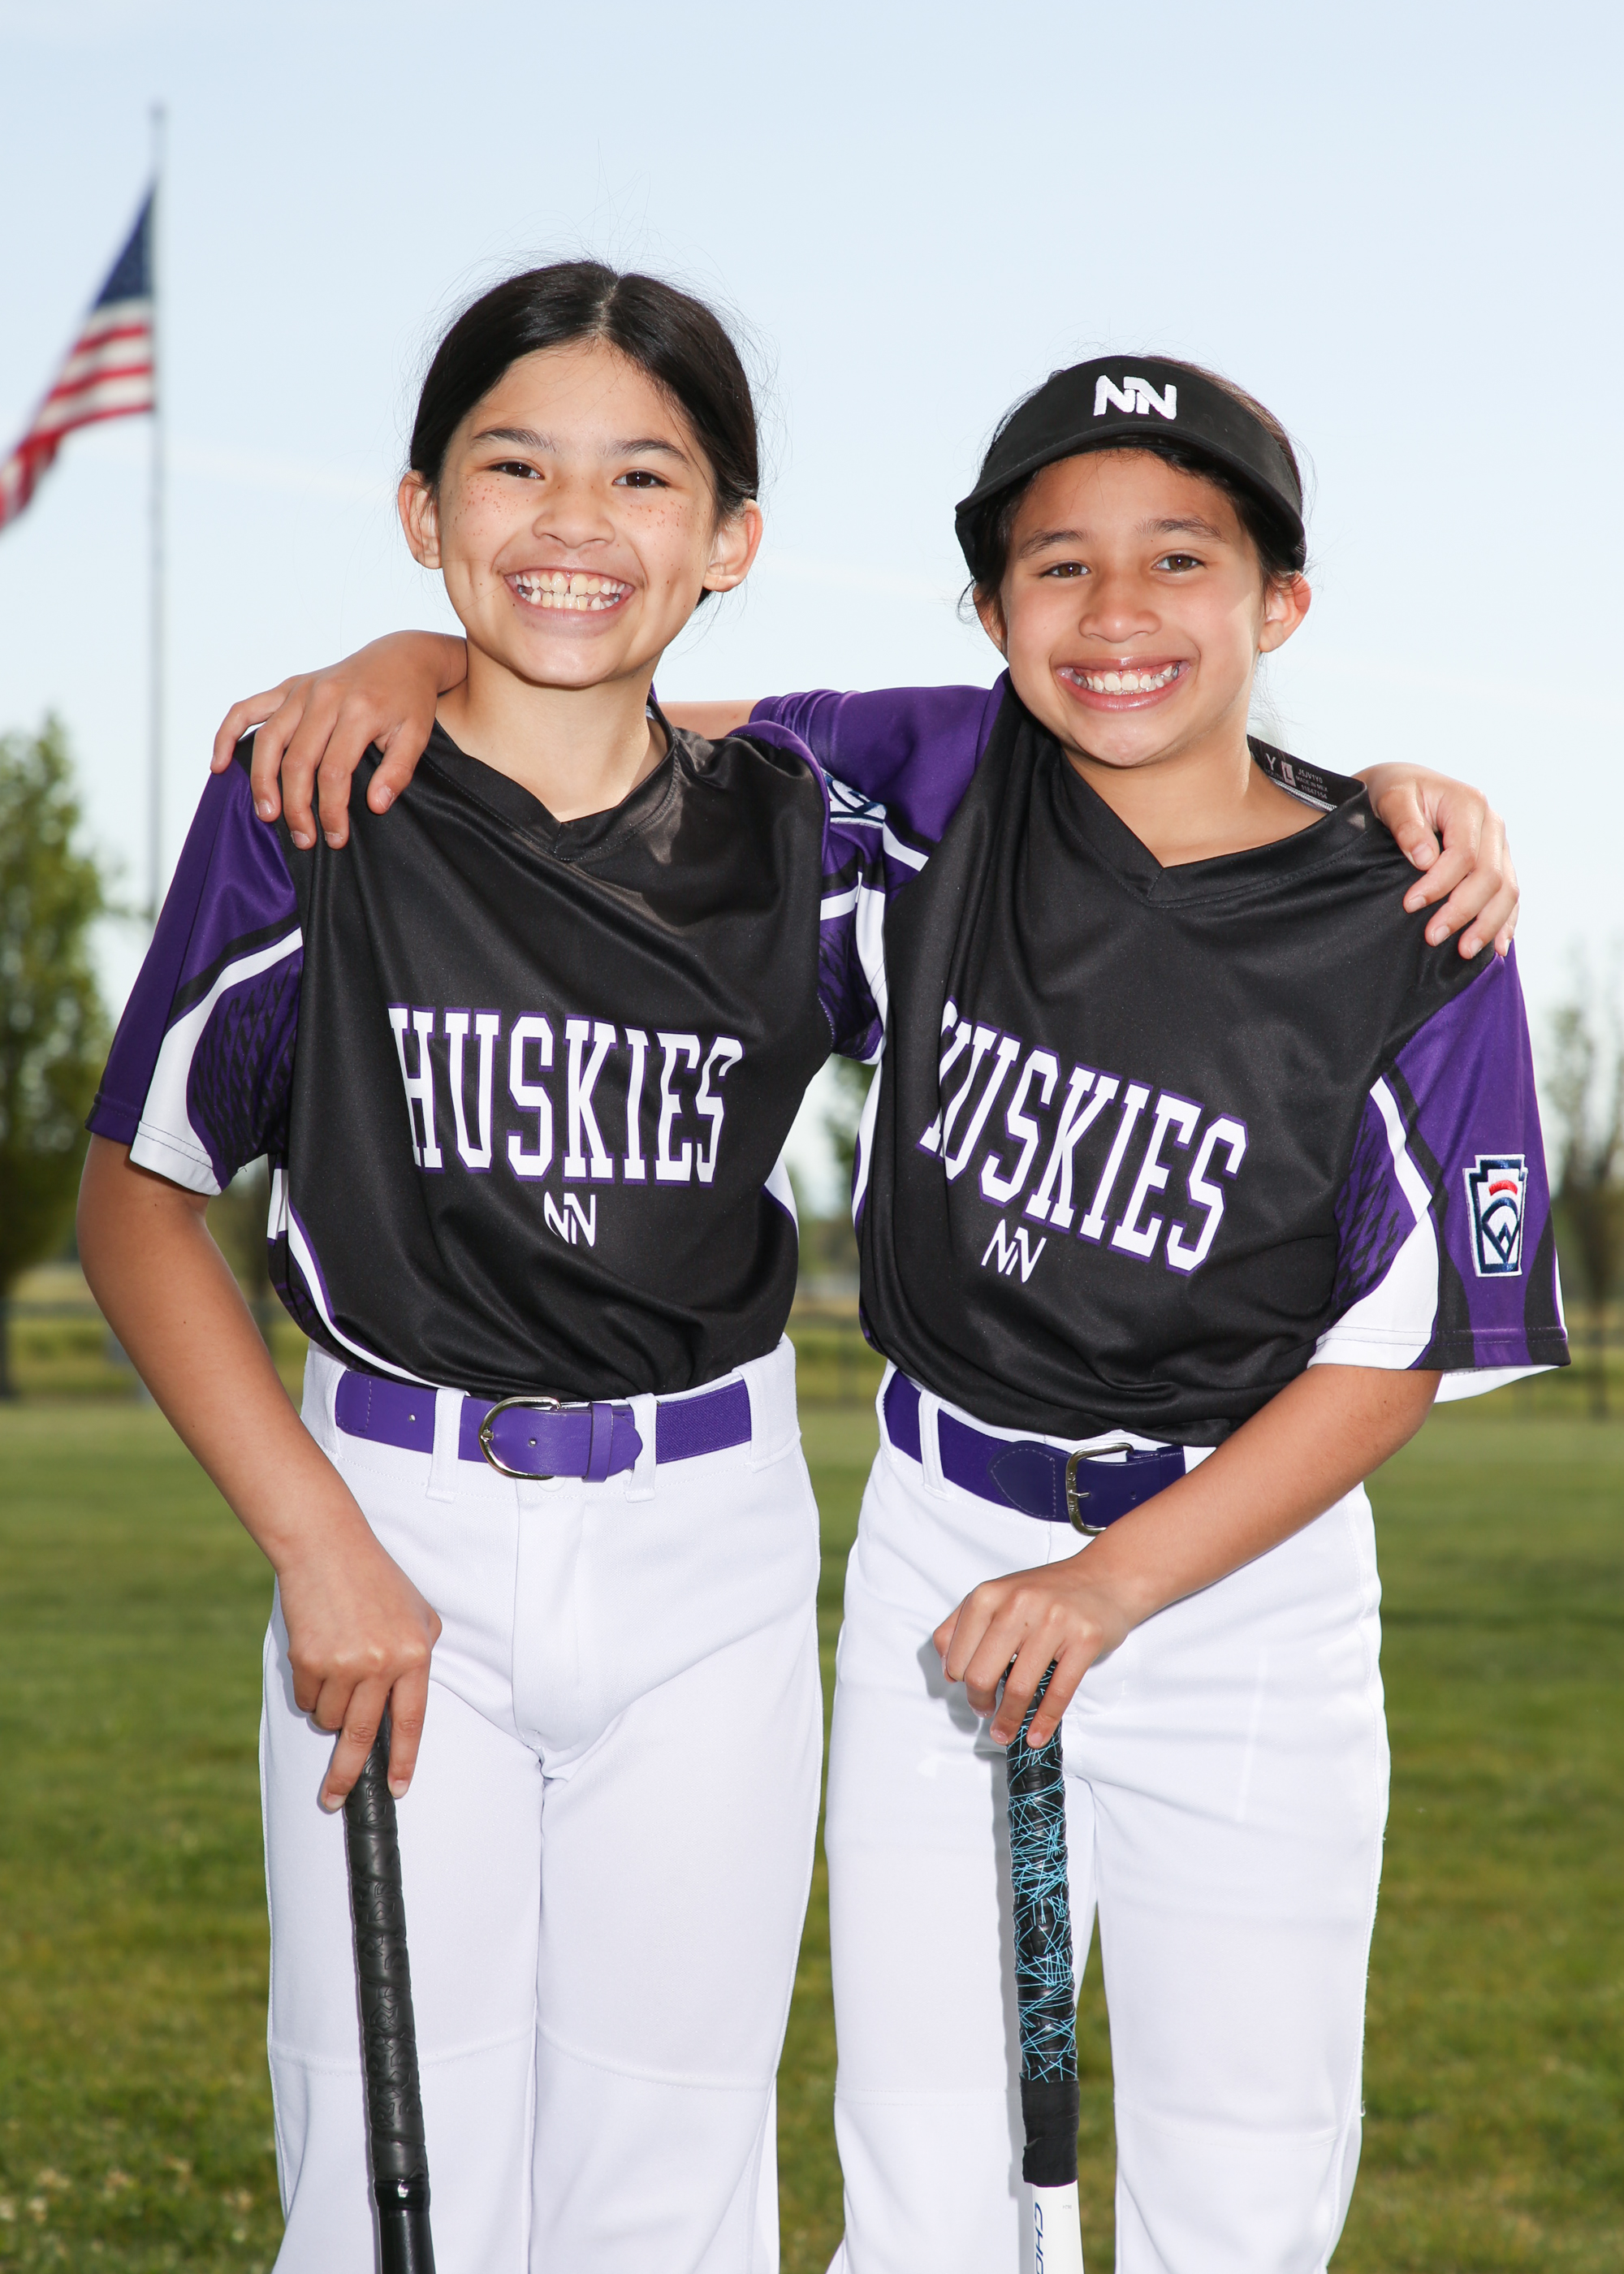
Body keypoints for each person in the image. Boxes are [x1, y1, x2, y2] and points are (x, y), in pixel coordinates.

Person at [223, 355, 1558, 2274]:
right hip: (950, 1537)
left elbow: (1395, 1350)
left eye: (1180, 559)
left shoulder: (1411, 906)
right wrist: (400, 659)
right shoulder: (927, 778)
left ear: (1279, 601)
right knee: (930, 2184)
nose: (1115, 611)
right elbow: (599, 709)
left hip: (1236, 1586)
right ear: (990, 608)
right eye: (1056, 564)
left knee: (1242, 2173)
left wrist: (1109, 1586)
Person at [77, 261, 887, 2274]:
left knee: (668, 2187)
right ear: (422, 507)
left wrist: (1383, 804)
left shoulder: (813, 827)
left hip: (707, 1540)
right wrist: (319, 1545)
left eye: (642, 475)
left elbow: (1125, 765)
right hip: (394, 1517)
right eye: (513, 465)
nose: (572, 518)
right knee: (390, 2184)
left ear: (731, 538)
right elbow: (137, 1199)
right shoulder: (310, 801)